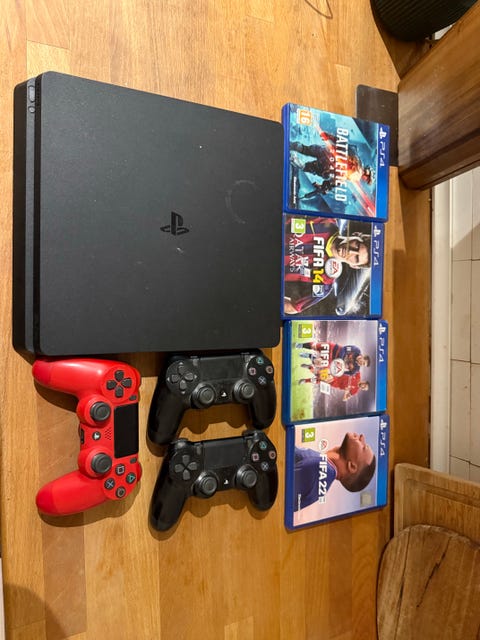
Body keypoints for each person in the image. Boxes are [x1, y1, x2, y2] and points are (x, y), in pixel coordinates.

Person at [284, 216, 371, 315]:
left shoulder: (325, 283)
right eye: (357, 245)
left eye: (356, 258)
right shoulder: (325, 220)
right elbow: (286, 217)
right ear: (355, 234)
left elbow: (294, 307)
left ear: (354, 266)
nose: (350, 252)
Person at [294, 432, 376, 511]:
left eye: (363, 447)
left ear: (352, 466)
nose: (362, 437)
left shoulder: (321, 471)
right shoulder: (324, 469)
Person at [296, 341, 370, 376]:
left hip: (332, 361)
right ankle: (300, 345)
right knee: (315, 346)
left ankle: (309, 356)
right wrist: (340, 360)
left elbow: (344, 373)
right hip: (334, 349)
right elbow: (344, 349)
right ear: (363, 357)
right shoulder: (356, 350)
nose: (362, 364)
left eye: (363, 365)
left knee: (317, 362)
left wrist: (337, 371)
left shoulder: (355, 369)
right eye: (363, 362)